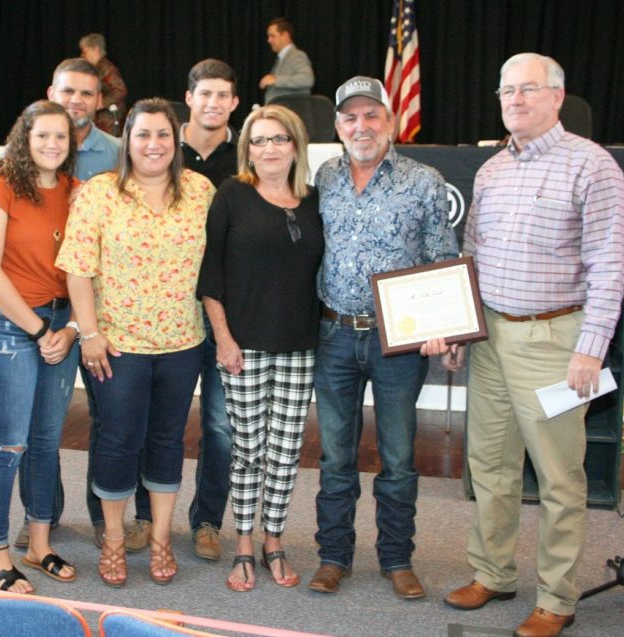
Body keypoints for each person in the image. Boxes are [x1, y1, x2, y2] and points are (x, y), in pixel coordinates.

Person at [440, 53, 624, 637]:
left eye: (527, 90)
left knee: (558, 476)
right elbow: (471, 257)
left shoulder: (592, 167)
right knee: (490, 466)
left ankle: (557, 597)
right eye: (505, 92)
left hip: (555, 340)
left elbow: (608, 267)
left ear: (556, 96)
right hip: (492, 338)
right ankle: (493, 572)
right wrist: (463, 327)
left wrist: (590, 350)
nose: (515, 100)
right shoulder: (491, 170)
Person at [310, 76, 458, 599]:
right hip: (332, 335)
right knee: (334, 457)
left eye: (372, 115)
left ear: (390, 122)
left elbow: (443, 257)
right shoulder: (322, 176)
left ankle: (397, 559)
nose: (361, 126)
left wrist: (450, 329)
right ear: (337, 127)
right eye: (350, 117)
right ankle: (333, 557)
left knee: (397, 457)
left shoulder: (424, 181)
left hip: (399, 342)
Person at [57, 98, 215, 587]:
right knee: (119, 439)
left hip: (183, 342)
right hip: (117, 346)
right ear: (127, 140)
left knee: (168, 441)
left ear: (176, 140)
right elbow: (78, 270)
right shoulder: (100, 193)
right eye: (143, 134)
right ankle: (112, 537)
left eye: (163, 134)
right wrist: (90, 334)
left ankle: (163, 538)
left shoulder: (200, 190)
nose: (153, 144)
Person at [198, 104, 323, 592]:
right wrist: (224, 339)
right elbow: (211, 277)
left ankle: (275, 539)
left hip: (300, 346)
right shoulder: (232, 195)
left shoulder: (315, 200)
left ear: (295, 145)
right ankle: (244, 544)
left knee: (286, 451)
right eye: (258, 141)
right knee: (247, 450)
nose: (268, 149)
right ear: (247, 149)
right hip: (242, 346)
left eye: (278, 139)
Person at [126, 59, 241, 561]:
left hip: (222, 317)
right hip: (160, 316)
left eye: (224, 95)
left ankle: (207, 521)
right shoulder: (161, 148)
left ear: (235, 103)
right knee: (151, 422)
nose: (213, 103)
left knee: (219, 426)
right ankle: (146, 516)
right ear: (188, 98)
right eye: (205, 94)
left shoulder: (248, 155)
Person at [13, 57, 122, 552]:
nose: (75, 101)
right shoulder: (15, 156)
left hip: (100, 316)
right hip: (42, 312)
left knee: (107, 419)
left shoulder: (120, 155)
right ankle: (43, 514)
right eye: (67, 92)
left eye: (86, 94)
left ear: (99, 101)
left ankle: (104, 516)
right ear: (50, 93)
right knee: (39, 422)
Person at [0, 100, 81, 594]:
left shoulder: (77, 192)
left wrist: (72, 329)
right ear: (24, 139)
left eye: (61, 136)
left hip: (61, 325)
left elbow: (88, 269)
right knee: (10, 444)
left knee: (44, 444)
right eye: (42, 136)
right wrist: (39, 333)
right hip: (12, 326)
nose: (52, 145)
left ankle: (38, 545)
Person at [80, 33, 128, 134]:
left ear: (95, 50)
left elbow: (120, 90)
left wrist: (101, 103)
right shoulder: (97, 68)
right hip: (101, 120)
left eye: (85, 52)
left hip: (109, 120)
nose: (83, 56)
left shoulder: (107, 68)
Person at [259, 17, 314, 103]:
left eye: (272, 36)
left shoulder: (297, 55)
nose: (269, 40)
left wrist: (276, 80)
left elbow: (307, 79)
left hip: (291, 112)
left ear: (285, 35)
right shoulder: (282, 58)